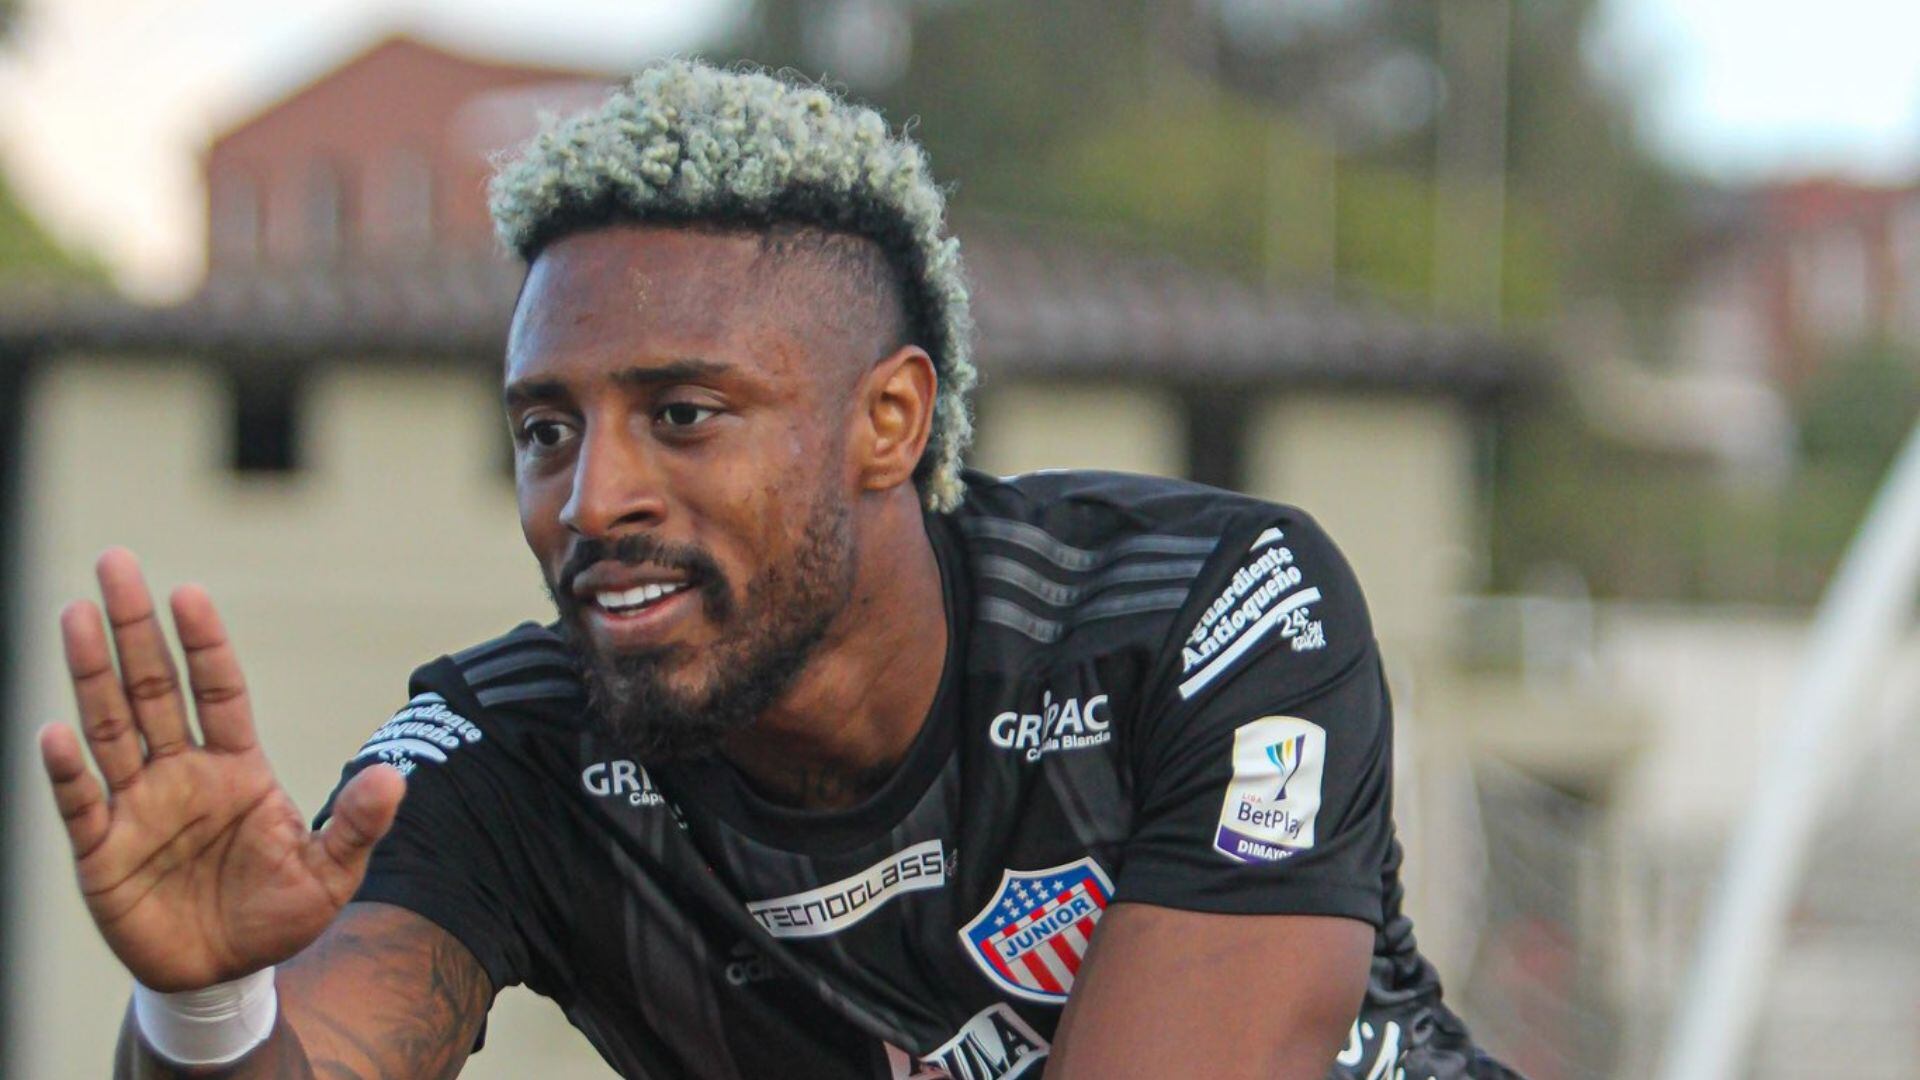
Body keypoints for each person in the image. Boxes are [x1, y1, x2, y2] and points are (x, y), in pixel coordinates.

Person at [37, 60, 1516, 1079]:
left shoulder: (1200, 608)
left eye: (683, 415)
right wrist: (208, 1003)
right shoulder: (507, 757)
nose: (592, 498)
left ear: (890, 423)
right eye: (546, 431)